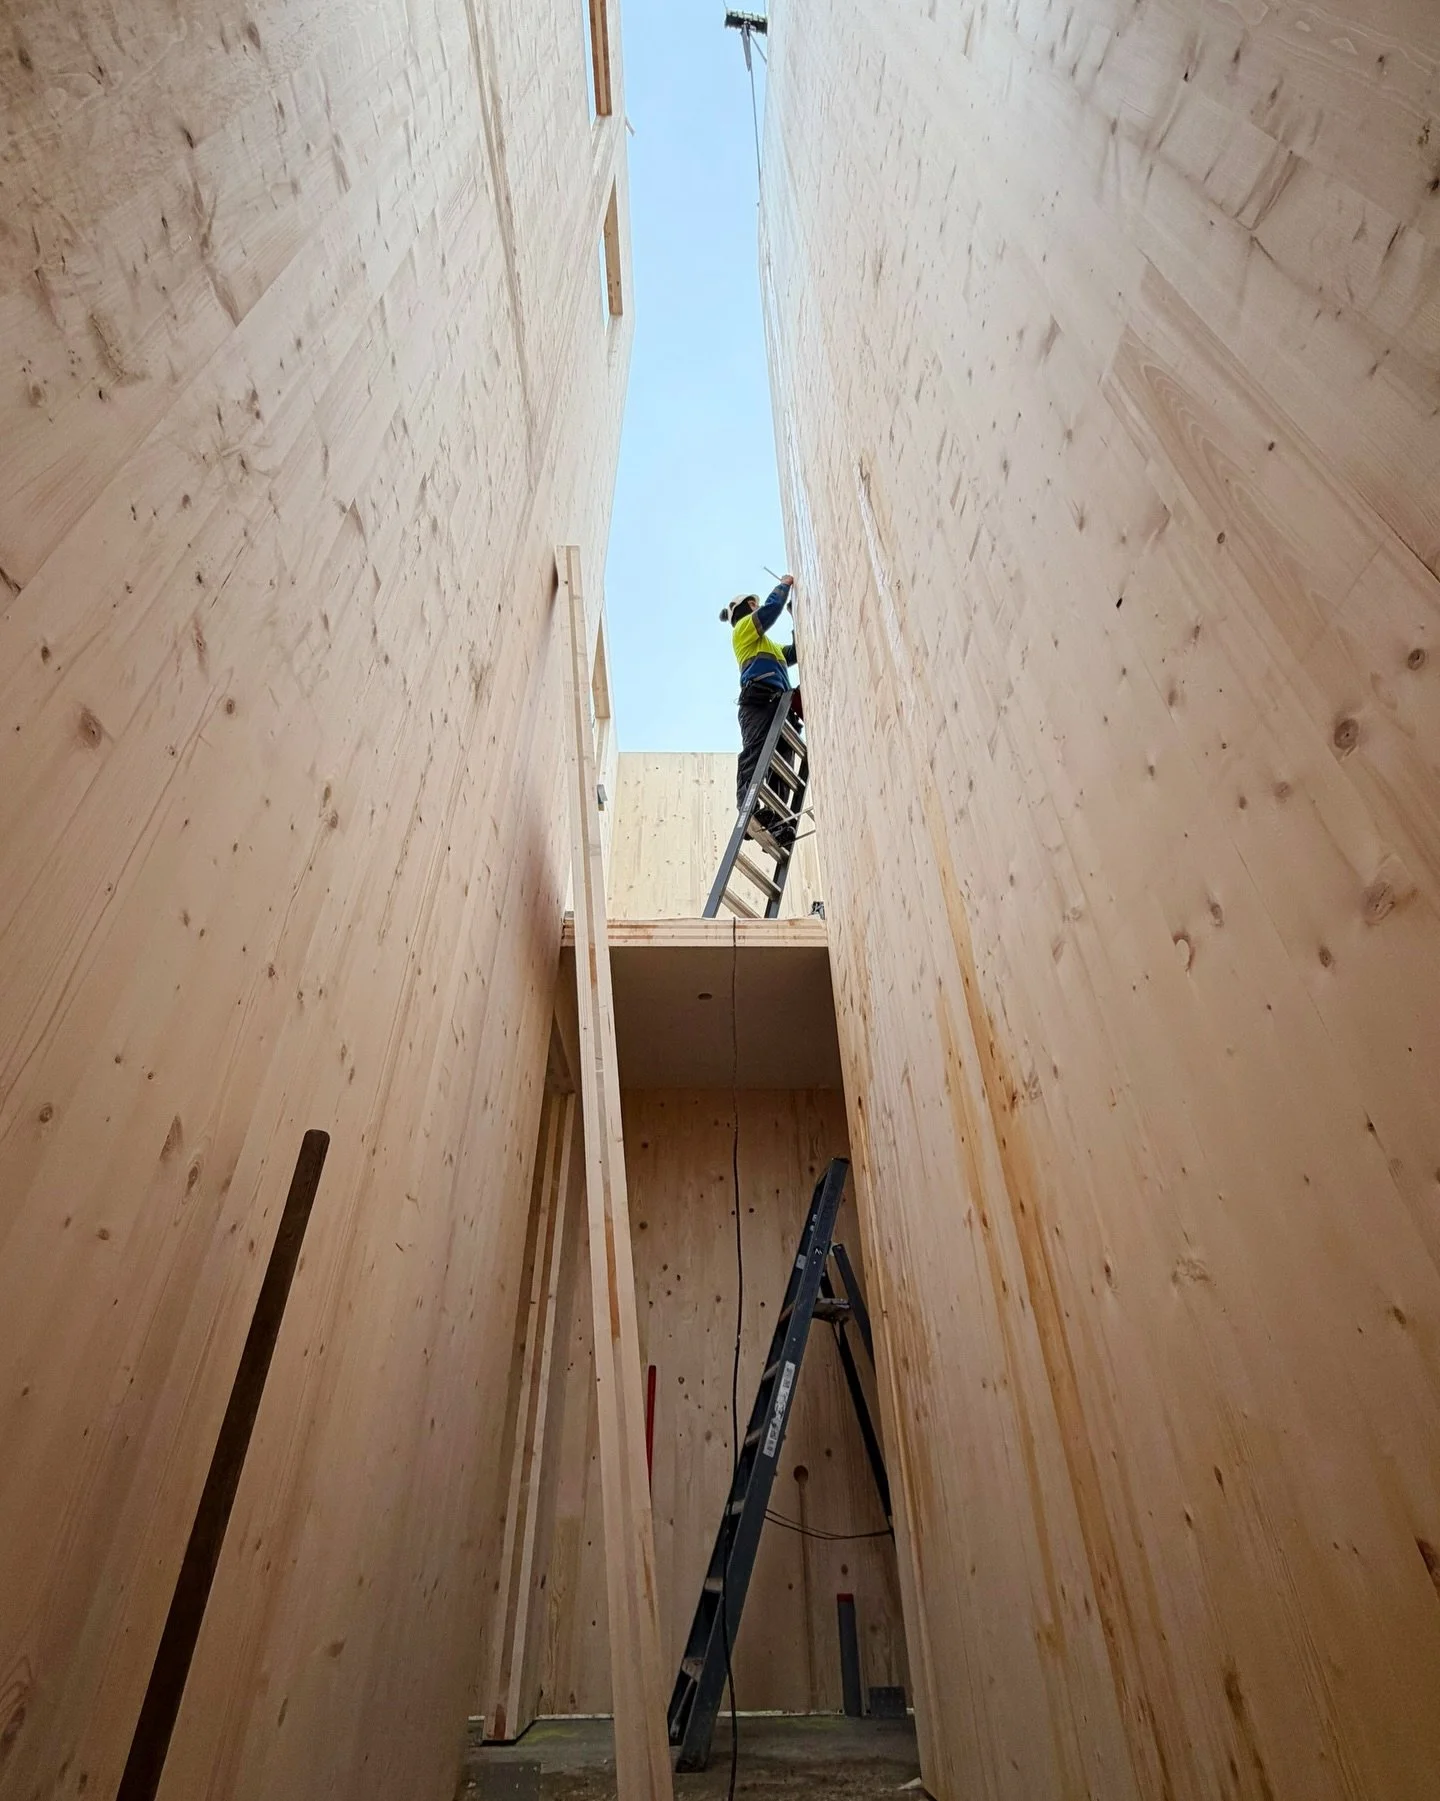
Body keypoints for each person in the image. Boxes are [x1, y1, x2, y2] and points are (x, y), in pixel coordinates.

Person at [721, 575, 800, 832]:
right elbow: (770, 611)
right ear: (745, 609)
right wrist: (784, 587)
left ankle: (776, 822)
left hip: (778, 706)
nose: (756, 608)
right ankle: (748, 809)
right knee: (755, 754)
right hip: (758, 702)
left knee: (781, 765)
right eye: (753, 605)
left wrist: (796, 617)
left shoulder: (768, 646)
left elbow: (794, 653)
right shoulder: (742, 629)